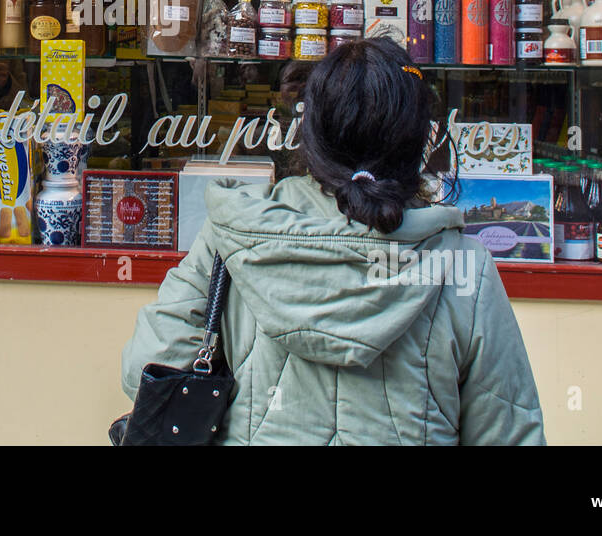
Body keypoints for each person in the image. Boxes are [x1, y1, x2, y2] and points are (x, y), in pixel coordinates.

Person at [120, 38, 545, 445]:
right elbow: (506, 430)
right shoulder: (463, 266)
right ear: (419, 138)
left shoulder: (233, 236)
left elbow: (146, 369)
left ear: (311, 133)